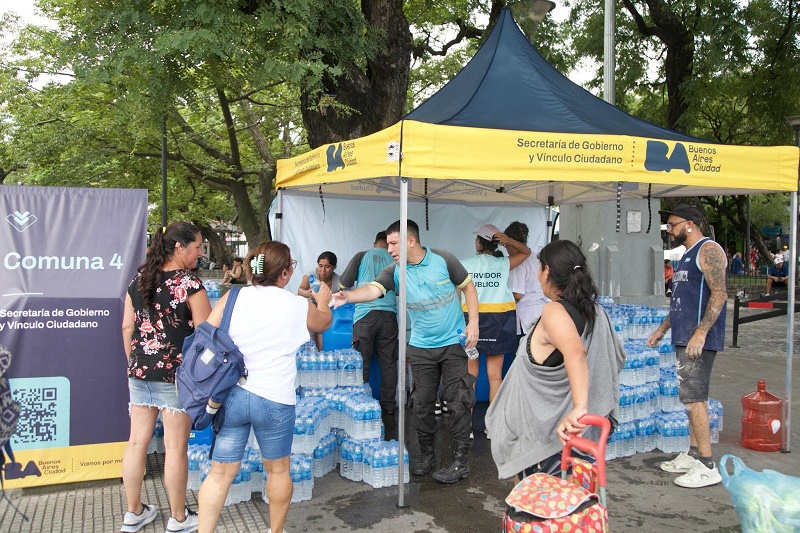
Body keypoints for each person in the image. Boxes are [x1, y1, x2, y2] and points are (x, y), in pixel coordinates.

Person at [197, 241, 332, 533]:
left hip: (232, 395)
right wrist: (323, 298)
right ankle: (275, 531)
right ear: (284, 274)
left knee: (220, 473)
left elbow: (206, 331)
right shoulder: (297, 305)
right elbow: (323, 323)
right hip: (275, 400)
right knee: (278, 469)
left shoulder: (232, 298)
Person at [333, 219, 479, 484]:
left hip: (452, 345)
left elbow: (468, 287)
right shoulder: (394, 271)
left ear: (411, 241)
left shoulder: (444, 260)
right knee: (421, 404)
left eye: (393, 243)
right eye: (388, 243)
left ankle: (460, 462)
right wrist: (349, 296)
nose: (389, 249)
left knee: (458, 402)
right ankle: (426, 456)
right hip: (421, 347)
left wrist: (474, 323)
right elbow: (373, 290)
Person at [485, 239, 624, 480]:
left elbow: (576, 352)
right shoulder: (595, 311)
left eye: (539, 268)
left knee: (541, 510)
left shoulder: (554, 312)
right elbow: (615, 359)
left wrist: (579, 407)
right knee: (570, 509)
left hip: (548, 439)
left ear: (547, 271)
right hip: (577, 437)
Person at [121, 222, 212, 533]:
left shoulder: (138, 279)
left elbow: (126, 328)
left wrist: (136, 363)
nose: (200, 252)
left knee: (136, 443)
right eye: (197, 246)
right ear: (179, 247)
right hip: (176, 377)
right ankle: (179, 518)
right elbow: (205, 338)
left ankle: (134, 512)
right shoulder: (190, 285)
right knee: (175, 448)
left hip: (139, 371)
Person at [647, 203, 727, 489]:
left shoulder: (709, 250)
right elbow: (681, 301)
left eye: (673, 224)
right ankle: (694, 455)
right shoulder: (687, 256)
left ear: (689, 224)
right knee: (689, 399)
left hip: (698, 340)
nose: (669, 229)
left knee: (695, 400)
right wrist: (661, 329)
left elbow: (720, 293)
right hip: (684, 337)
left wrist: (701, 332)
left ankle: (707, 465)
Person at [460, 224, 530, 422]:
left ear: (479, 242)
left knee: (470, 377)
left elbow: (457, 293)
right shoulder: (503, 263)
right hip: (499, 321)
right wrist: (508, 241)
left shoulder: (464, 264)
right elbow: (527, 252)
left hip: (471, 321)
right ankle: (493, 427)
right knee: (495, 376)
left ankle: (467, 426)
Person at [339, 231, 399, 440]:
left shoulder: (361, 255)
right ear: (387, 244)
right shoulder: (395, 258)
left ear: (374, 243)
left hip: (364, 315)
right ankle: (389, 406)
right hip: (389, 316)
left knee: (361, 362)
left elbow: (344, 283)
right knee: (389, 363)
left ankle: (361, 405)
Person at [504, 221, 548, 339]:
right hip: (541, 312)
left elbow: (518, 294)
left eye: (505, 246)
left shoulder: (518, 263)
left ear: (512, 244)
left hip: (526, 316)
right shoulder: (535, 257)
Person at [298, 251, 340, 350]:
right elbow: (300, 290)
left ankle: (321, 358)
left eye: (327, 267)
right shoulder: (311, 275)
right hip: (311, 310)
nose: (323, 270)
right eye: (320, 266)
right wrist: (311, 295)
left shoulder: (338, 280)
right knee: (311, 341)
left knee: (322, 337)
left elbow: (341, 297)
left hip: (326, 312)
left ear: (334, 267)